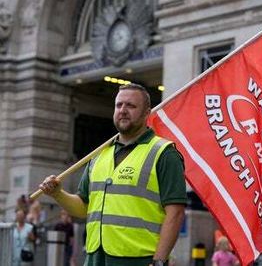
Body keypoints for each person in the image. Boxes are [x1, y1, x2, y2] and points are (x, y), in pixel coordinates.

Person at [39, 83, 187, 266]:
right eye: (119, 105)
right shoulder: (99, 155)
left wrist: (159, 261)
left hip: (140, 260)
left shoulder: (164, 153)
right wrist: (57, 194)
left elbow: (176, 213)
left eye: (131, 106)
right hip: (95, 259)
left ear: (146, 113)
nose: (123, 110)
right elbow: (83, 208)